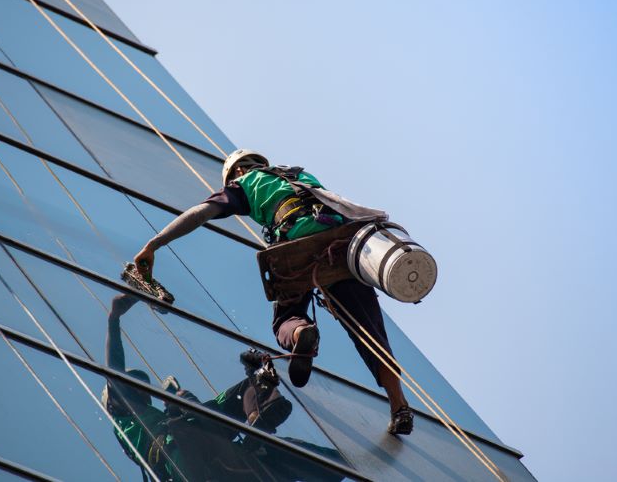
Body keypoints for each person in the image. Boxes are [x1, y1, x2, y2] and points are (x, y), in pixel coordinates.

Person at [134, 150, 413, 435]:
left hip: (297, 247)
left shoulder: (246, 182)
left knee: (286, 319)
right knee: (370, 333)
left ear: (237, 173)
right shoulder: (300, 175)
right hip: (343, 246)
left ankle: (301, 332)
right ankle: (399, 406)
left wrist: (154, 244)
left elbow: (201, 213)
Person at [105, 293, 343, 481]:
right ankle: (260, 425)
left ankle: (259, 412)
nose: (142, 389)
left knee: (284, 449)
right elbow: (114, 371)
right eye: (136, 384)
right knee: (192, 412)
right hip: (184, 452)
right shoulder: (124, 413)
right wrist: (113, 319)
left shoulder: (158, 416)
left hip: (205, 446)